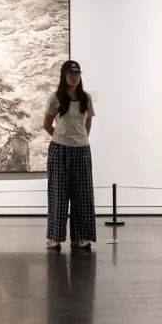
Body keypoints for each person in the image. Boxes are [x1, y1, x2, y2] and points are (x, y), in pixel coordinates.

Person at [44, 60, 97, 251]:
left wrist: (80, 138)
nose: (74, 77)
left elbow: (88, 121)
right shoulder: (56, 98)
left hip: (81, 150)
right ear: (64, 75)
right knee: (58, 193)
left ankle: (80, 237)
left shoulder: (86, 98)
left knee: (82, 195)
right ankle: (54, 237)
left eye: (77, 73)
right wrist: (61, 138)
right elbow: (47, 124)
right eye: (70, 73)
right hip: (59, 150)